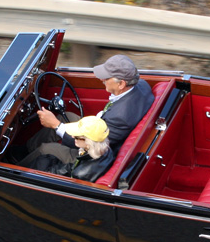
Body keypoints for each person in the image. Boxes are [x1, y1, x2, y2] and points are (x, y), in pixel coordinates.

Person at [19, 54, 154, 168]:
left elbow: (91, 144)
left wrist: (55, 125)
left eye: (106, 78)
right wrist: (57, 123)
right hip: (101, 128)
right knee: (65, 117)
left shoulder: (121, 117)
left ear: (121, 84)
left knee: (46, 149)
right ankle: (25, 149)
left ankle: (15, 167)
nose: (101, 79)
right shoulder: (141, 85)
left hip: (95, 154)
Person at [31, 116, 115, 181]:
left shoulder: (79, 173)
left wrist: (49, 173)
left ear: (88, 142)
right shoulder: (105, 150)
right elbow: (72, 167)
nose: (72, 136)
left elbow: (73, 170)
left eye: (76, 137)